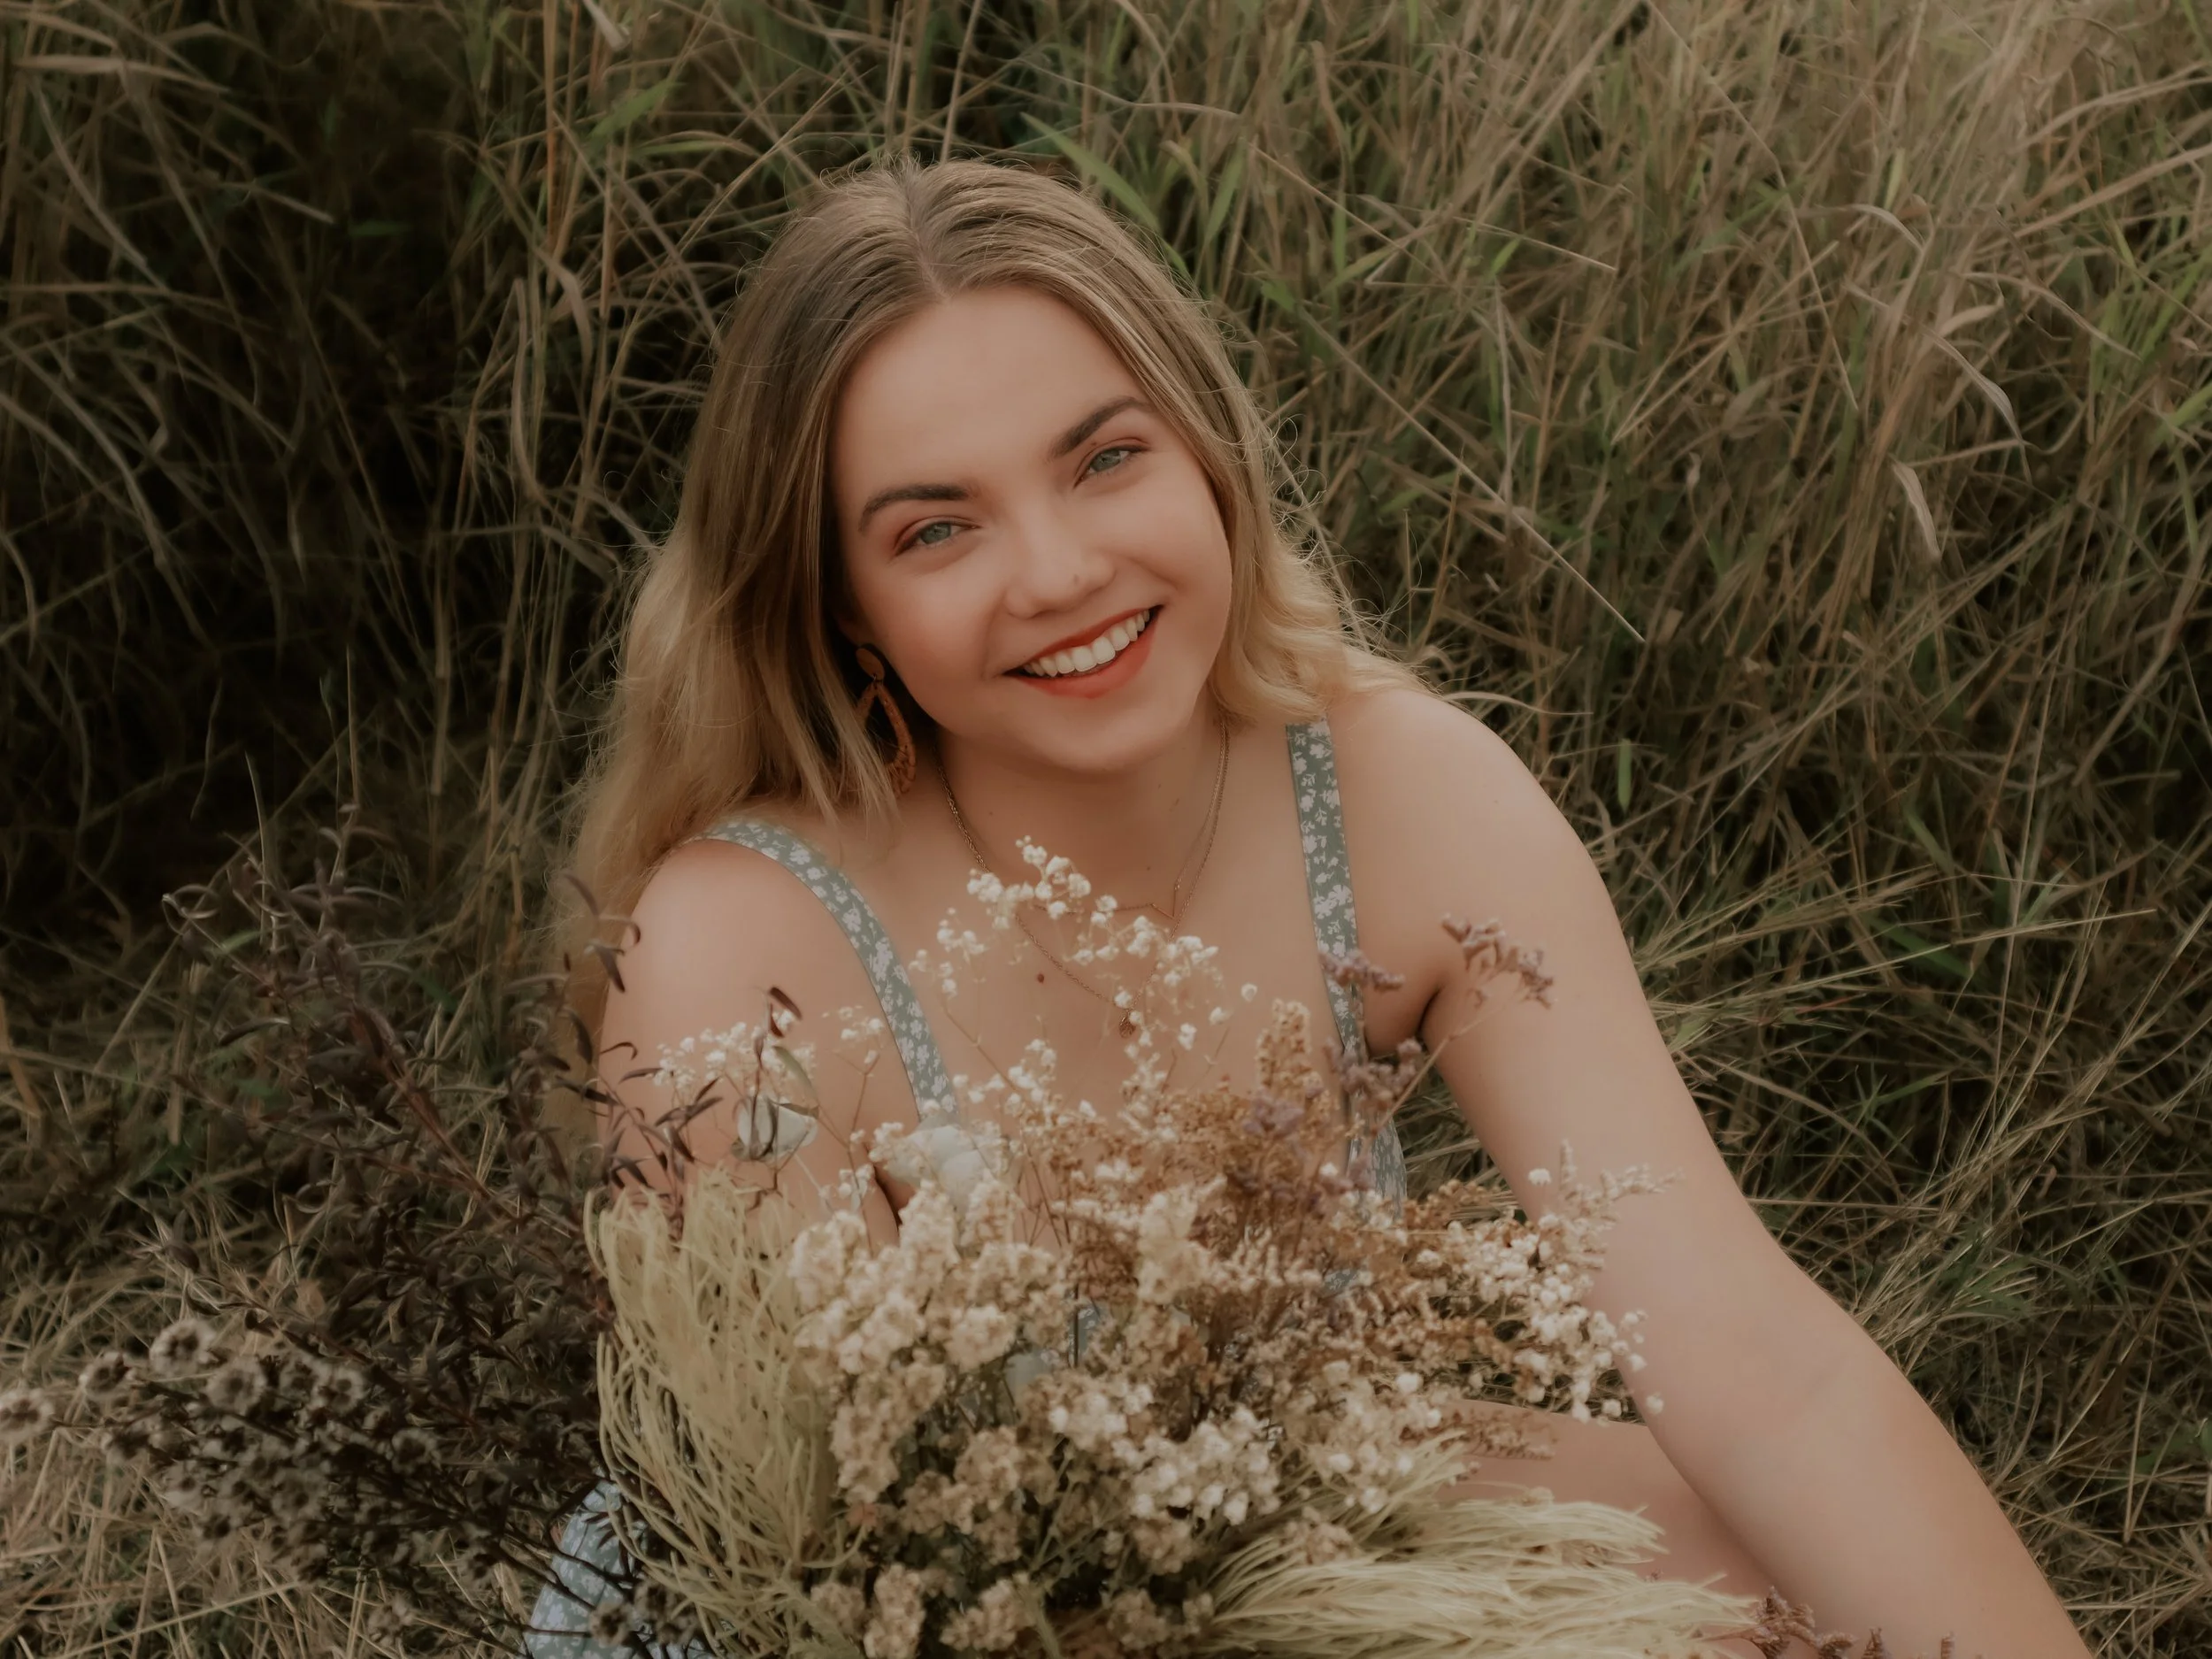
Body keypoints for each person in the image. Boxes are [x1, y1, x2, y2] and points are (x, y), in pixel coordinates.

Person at [544, 157, 2089, 1659]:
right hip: (897, 1618)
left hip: (1279, 1506)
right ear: (841, 606)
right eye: (936, 529)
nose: (1062, 571)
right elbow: (829, 1582)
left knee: (1776, 1593)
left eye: (1107, 459)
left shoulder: (1403, 790)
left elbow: (1761, 1366)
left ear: (1209, 455)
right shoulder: (740, 945)